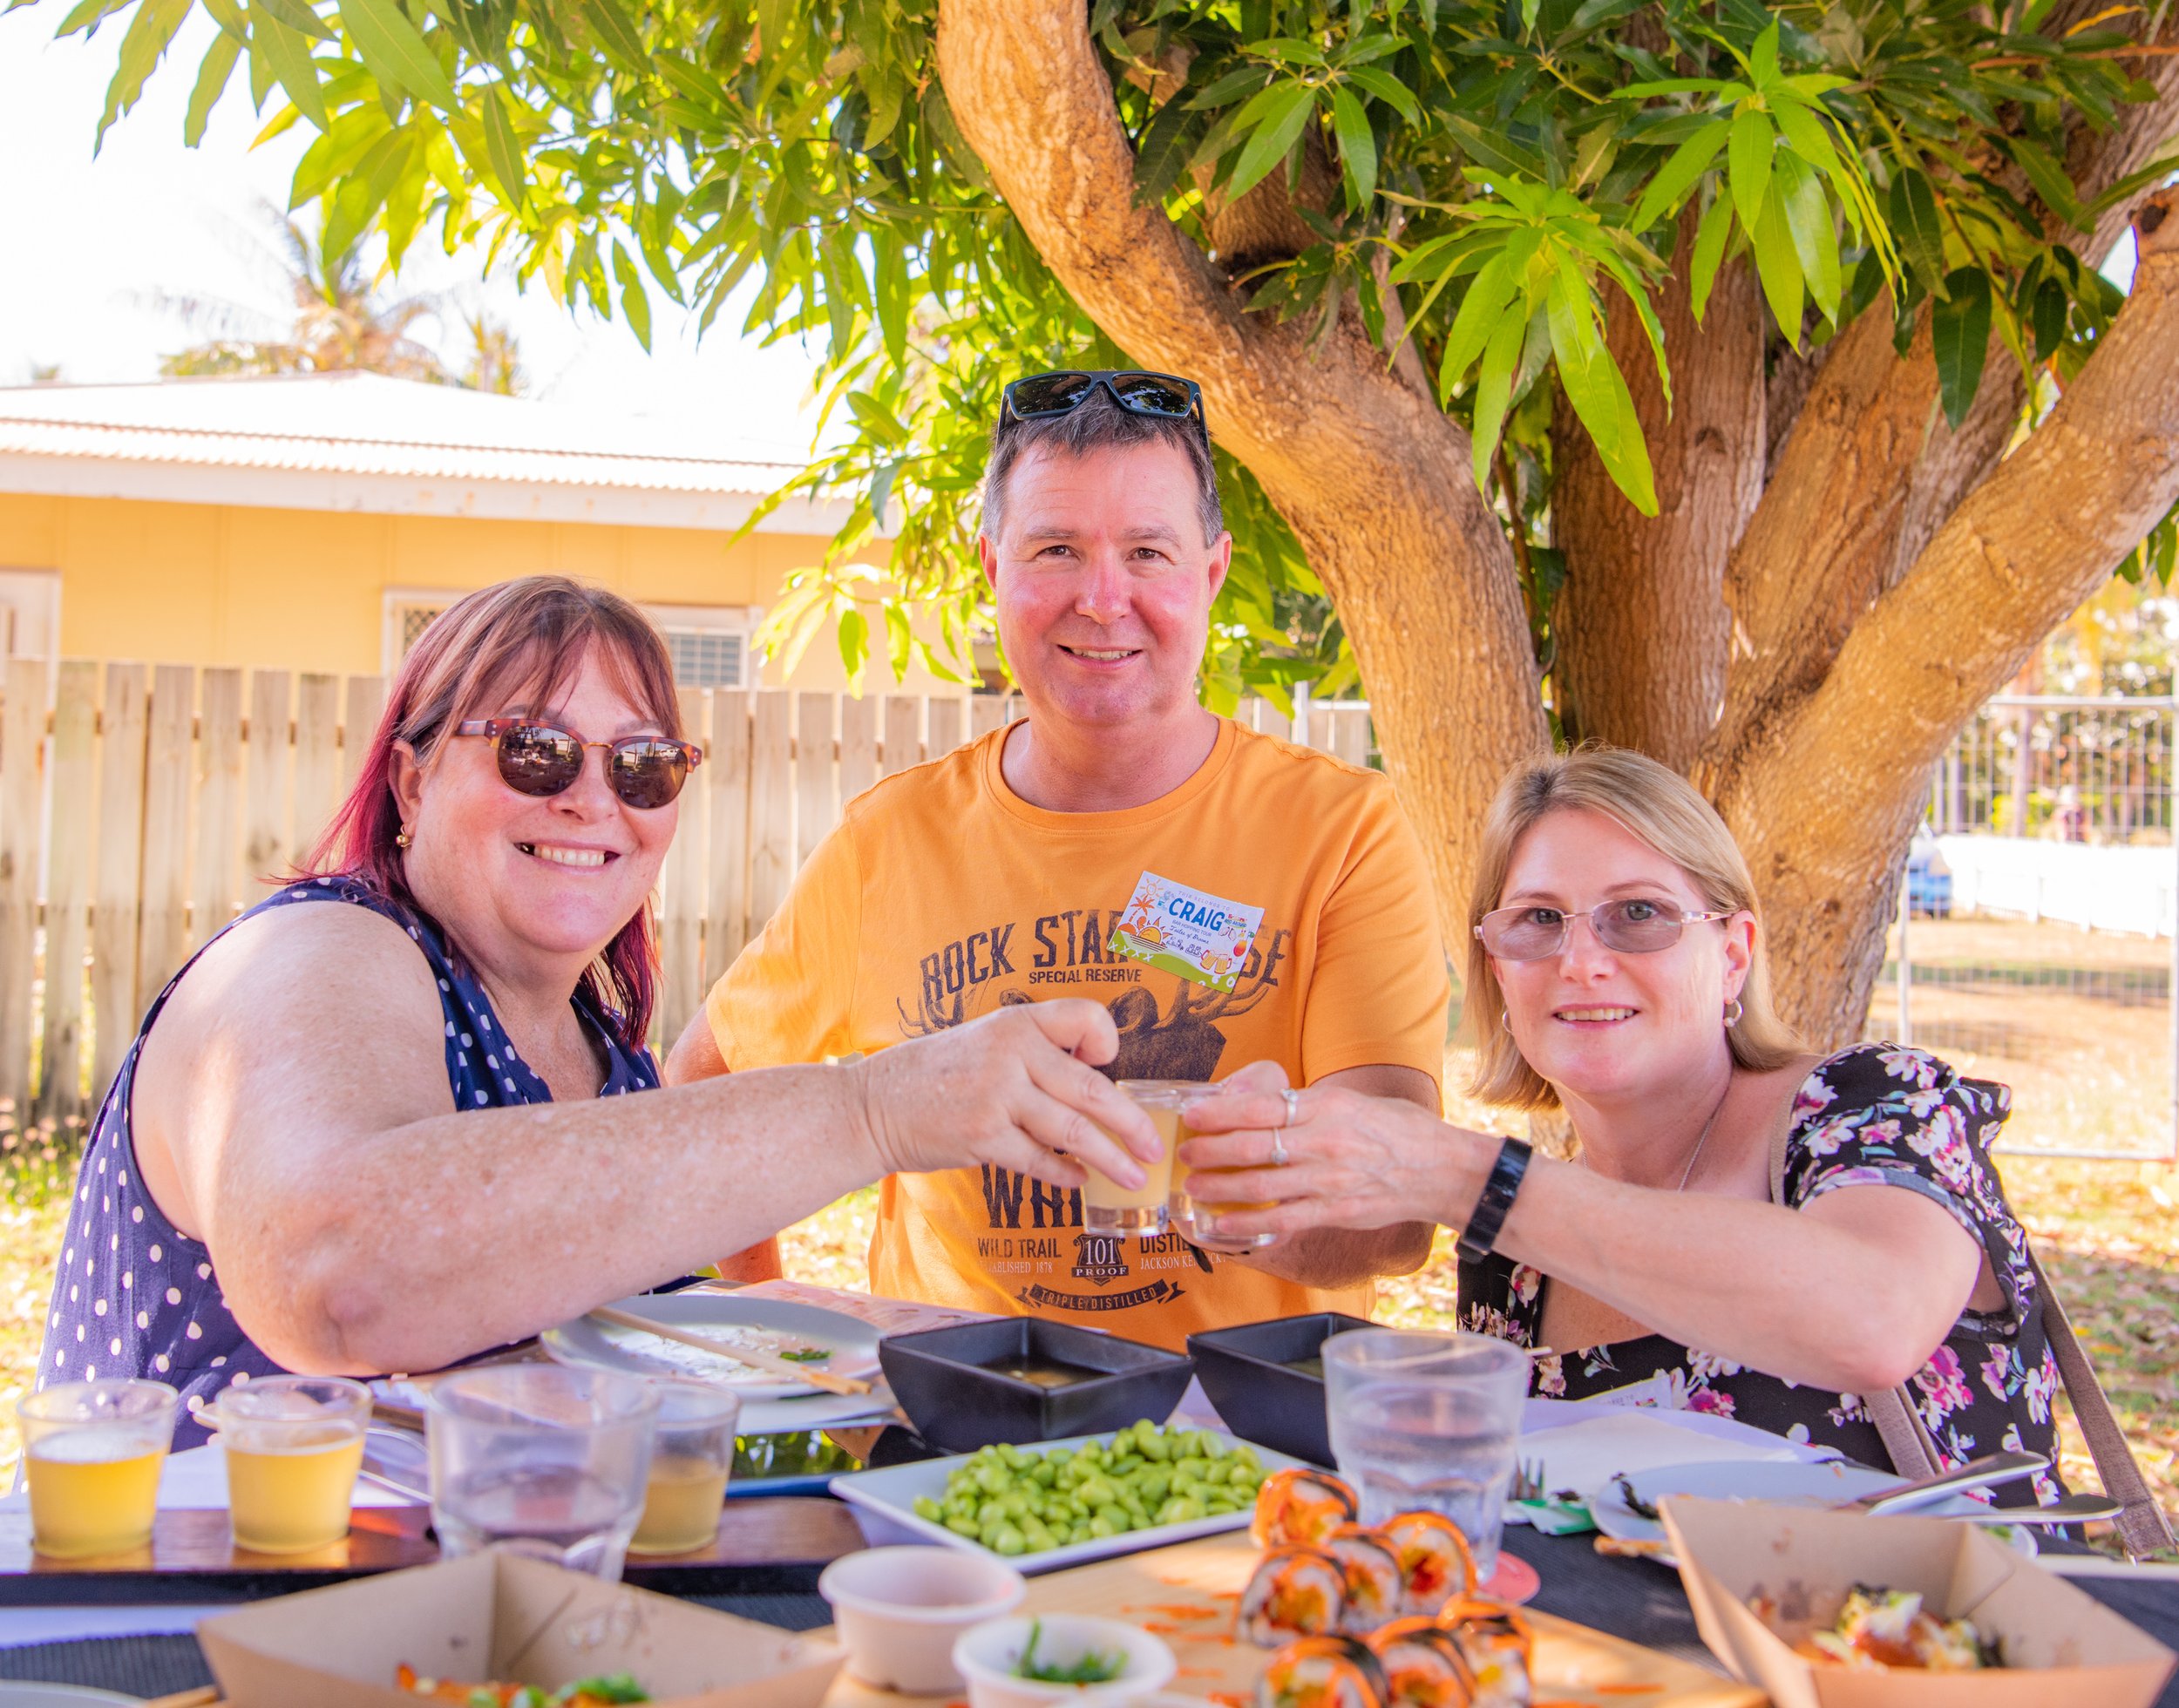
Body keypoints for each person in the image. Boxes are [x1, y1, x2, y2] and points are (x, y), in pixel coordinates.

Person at [37, 576, 1161, 1444]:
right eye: (533, 750)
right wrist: (873, 1109)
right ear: (414, 779)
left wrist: (956, 1348)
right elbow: (338, 1275)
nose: (590, 796)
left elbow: (607, 1343)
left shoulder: (598, 1050)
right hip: (184, 1632)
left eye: (641, 765)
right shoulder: (320, 948)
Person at [669, 369, 1449, 1348]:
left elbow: (1394, 1223)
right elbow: (705, 1088)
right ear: (992, 564)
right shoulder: (888, 841)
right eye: (1057, 549)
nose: (1103, 597)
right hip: (946, 1450)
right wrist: (767, 1323)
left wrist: (1215, 1191)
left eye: (1146, 552)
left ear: (1208, 573)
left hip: (1237, 1452)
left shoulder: (1341, 831)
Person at [1180, 747, 2065, 1501]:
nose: (1580, 961)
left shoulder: (1869, 1103)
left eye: (1637, 914)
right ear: (1495, 972)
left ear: (1732, 953)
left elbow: (1872, 1320)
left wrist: (1455, 1172)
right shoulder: (1510, 1259)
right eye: (1536, 921)